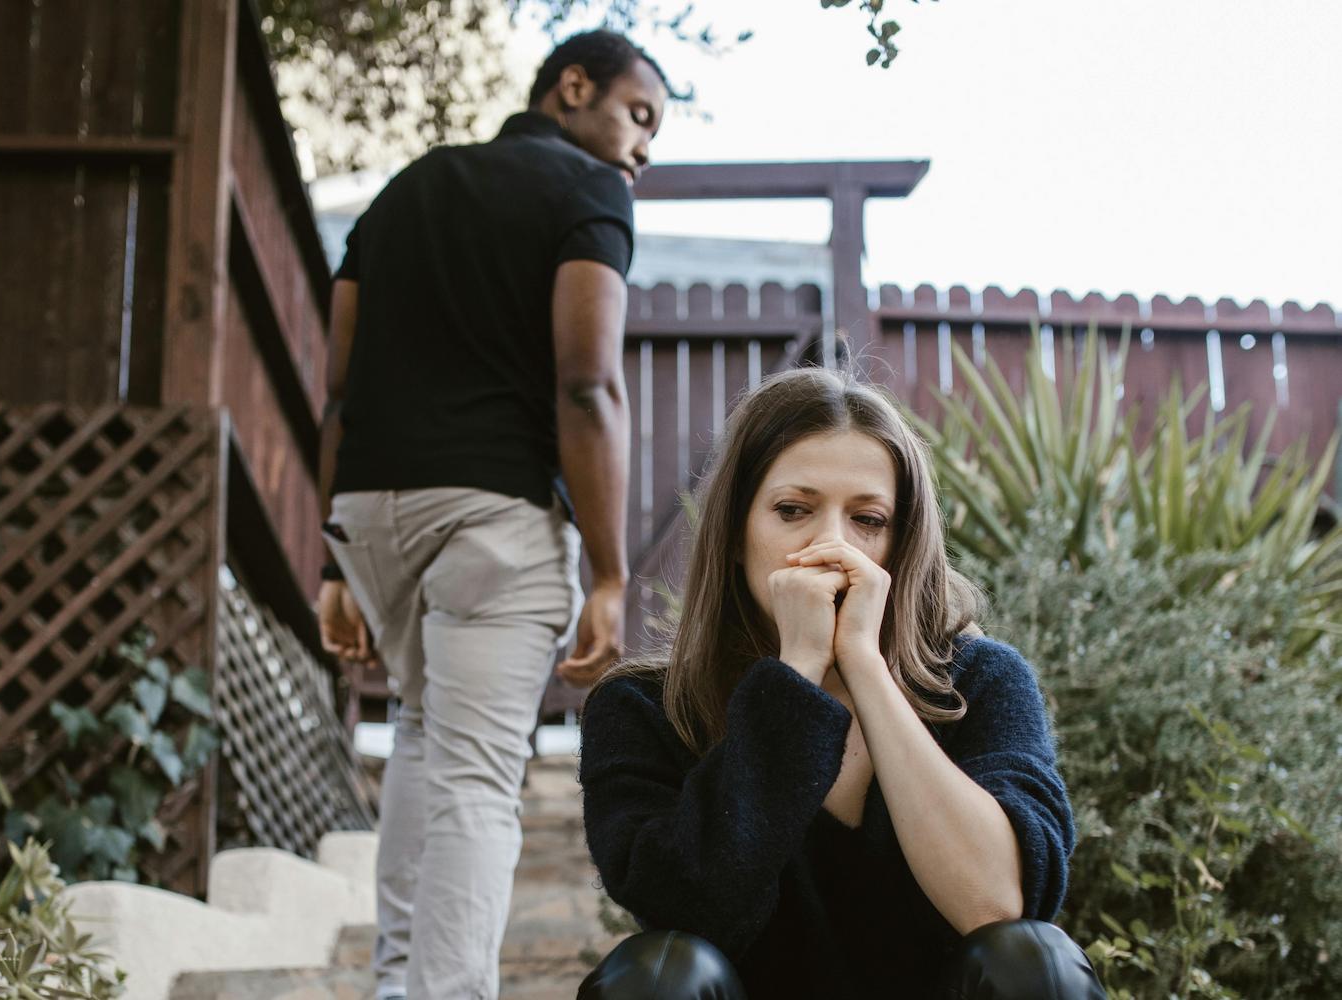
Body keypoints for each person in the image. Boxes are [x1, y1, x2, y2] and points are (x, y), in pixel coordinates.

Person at [313, 30, 670, 1000]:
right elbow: (589, 383)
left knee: (427, 739)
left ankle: (400, 985)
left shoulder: (407, 188)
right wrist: (607, 570)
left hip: (373, 511)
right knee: (476, 775)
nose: (642, 148)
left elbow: (340, 387)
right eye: (639, 117)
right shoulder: (591, 193)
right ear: (573, 86)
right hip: (494, 520)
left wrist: (334, 563)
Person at [577, 367, 1106, 999]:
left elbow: (995, 905)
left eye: (869, 520)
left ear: (900, 545)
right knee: (655, 974)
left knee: (1033, 959)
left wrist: (863, 660)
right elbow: (690, 912)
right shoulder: (644, 708)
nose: (832, 544)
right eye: (793, 510)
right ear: (738, 536)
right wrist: (795, 675)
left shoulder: (984, 682)